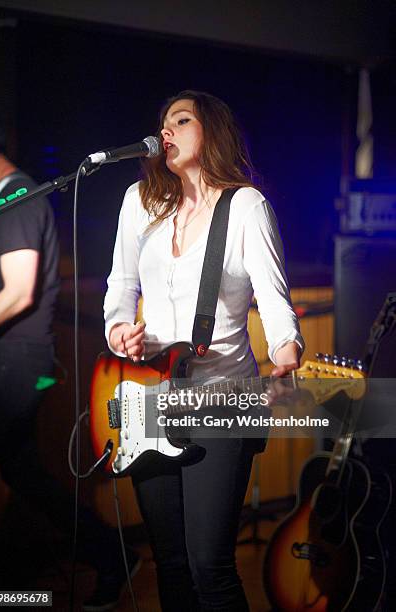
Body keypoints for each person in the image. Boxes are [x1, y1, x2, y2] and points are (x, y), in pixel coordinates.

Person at [104, 90, 304, 611]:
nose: (166, 131)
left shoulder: (245, 206)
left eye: (181, 120)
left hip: (221, 398)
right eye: (163, 122)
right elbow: (120, 288)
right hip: (149, 396)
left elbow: (274, 298)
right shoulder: (139, 201)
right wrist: (118, 329)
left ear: (211, 130)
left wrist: (287, 349)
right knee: (168, 562)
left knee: (208, 566)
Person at [0, 107, 140, 611]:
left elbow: (17, 293)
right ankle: (104, 556)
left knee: (22, 471)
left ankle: (105, 556)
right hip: (6, 360)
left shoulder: (15, 196)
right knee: (20, 470)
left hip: (14, 361)